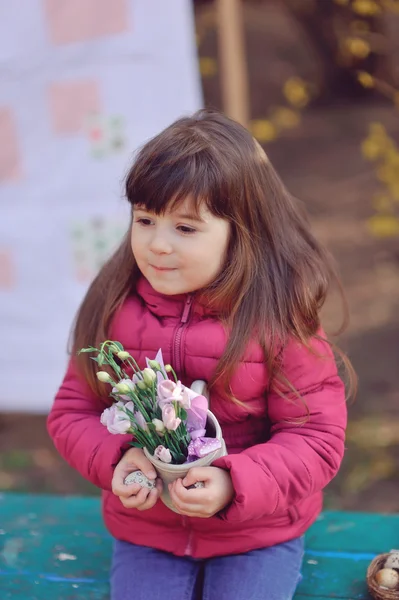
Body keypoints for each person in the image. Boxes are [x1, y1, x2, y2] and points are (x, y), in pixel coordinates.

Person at [47, 109, 355, 600]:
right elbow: (73, 412)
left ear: (242, 232)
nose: (157, 245)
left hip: (256, 533)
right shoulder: (115, 307)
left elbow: (316, 437)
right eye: (145, 220)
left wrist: (235, 484)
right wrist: (120, 460)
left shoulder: (278, 317)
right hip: (148, 532)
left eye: (186, 229)